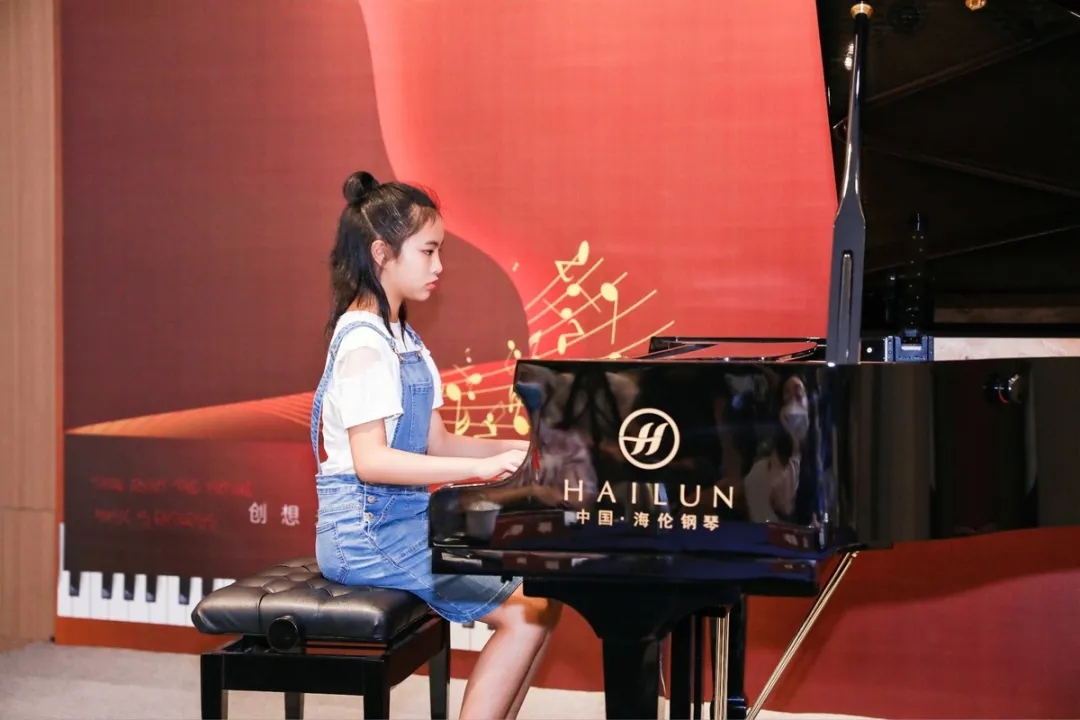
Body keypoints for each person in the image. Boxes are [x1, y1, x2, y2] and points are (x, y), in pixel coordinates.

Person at [309, 170, 562, 720]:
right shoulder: (363, 343)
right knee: (525, 613)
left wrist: (525, 450)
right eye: (428, 251)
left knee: (544, 597)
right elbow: (372, 462)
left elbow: (439, 441)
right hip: (364, 534)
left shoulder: (402, 338)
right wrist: (480, 471)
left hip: (401, 522)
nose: (439, 265)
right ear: (382, 253)